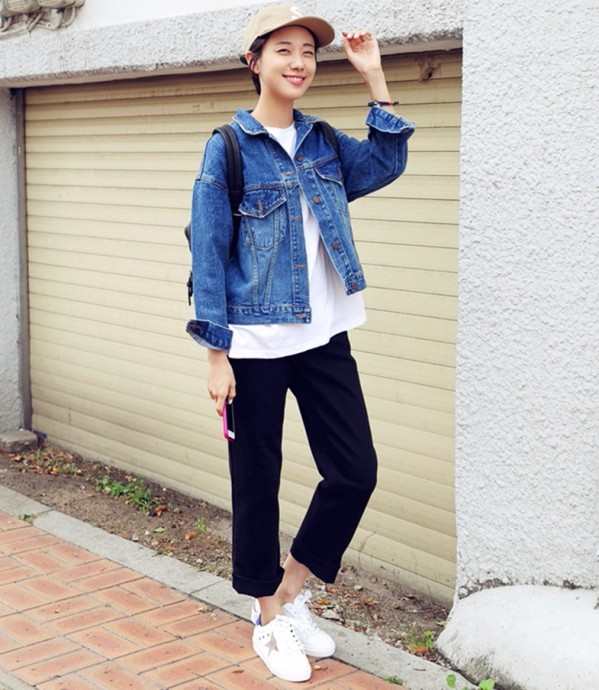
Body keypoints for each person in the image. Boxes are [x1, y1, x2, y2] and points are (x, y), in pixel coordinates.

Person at [185, 2, 415, 682]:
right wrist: (216, 355)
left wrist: (374, 76)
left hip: (322, 337)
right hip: (253, 344)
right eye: (283, 50)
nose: (299, 62)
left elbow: (383, 164)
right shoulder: (228, 147)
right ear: (254, 61)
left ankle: (288, 593)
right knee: (257, 482)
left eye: (308, 52)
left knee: (354, 471)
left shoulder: (321, 141)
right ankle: (266, 618)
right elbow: (208, 254)